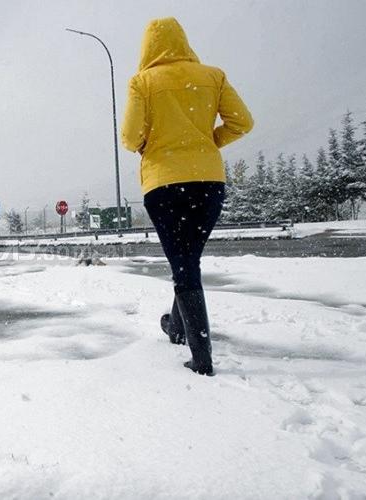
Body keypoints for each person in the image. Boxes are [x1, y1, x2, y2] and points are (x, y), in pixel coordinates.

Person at [121, 17, 253, 375]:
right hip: (209, 183)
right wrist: (209, 141)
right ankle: (177, 328)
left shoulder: (143, 82)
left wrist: (152, 144)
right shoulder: (213, 76)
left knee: (184, 263)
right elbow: (242, 122)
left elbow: (130, 137)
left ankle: (202, 358)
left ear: (148, 46)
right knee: (188, 258)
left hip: (164, 184)